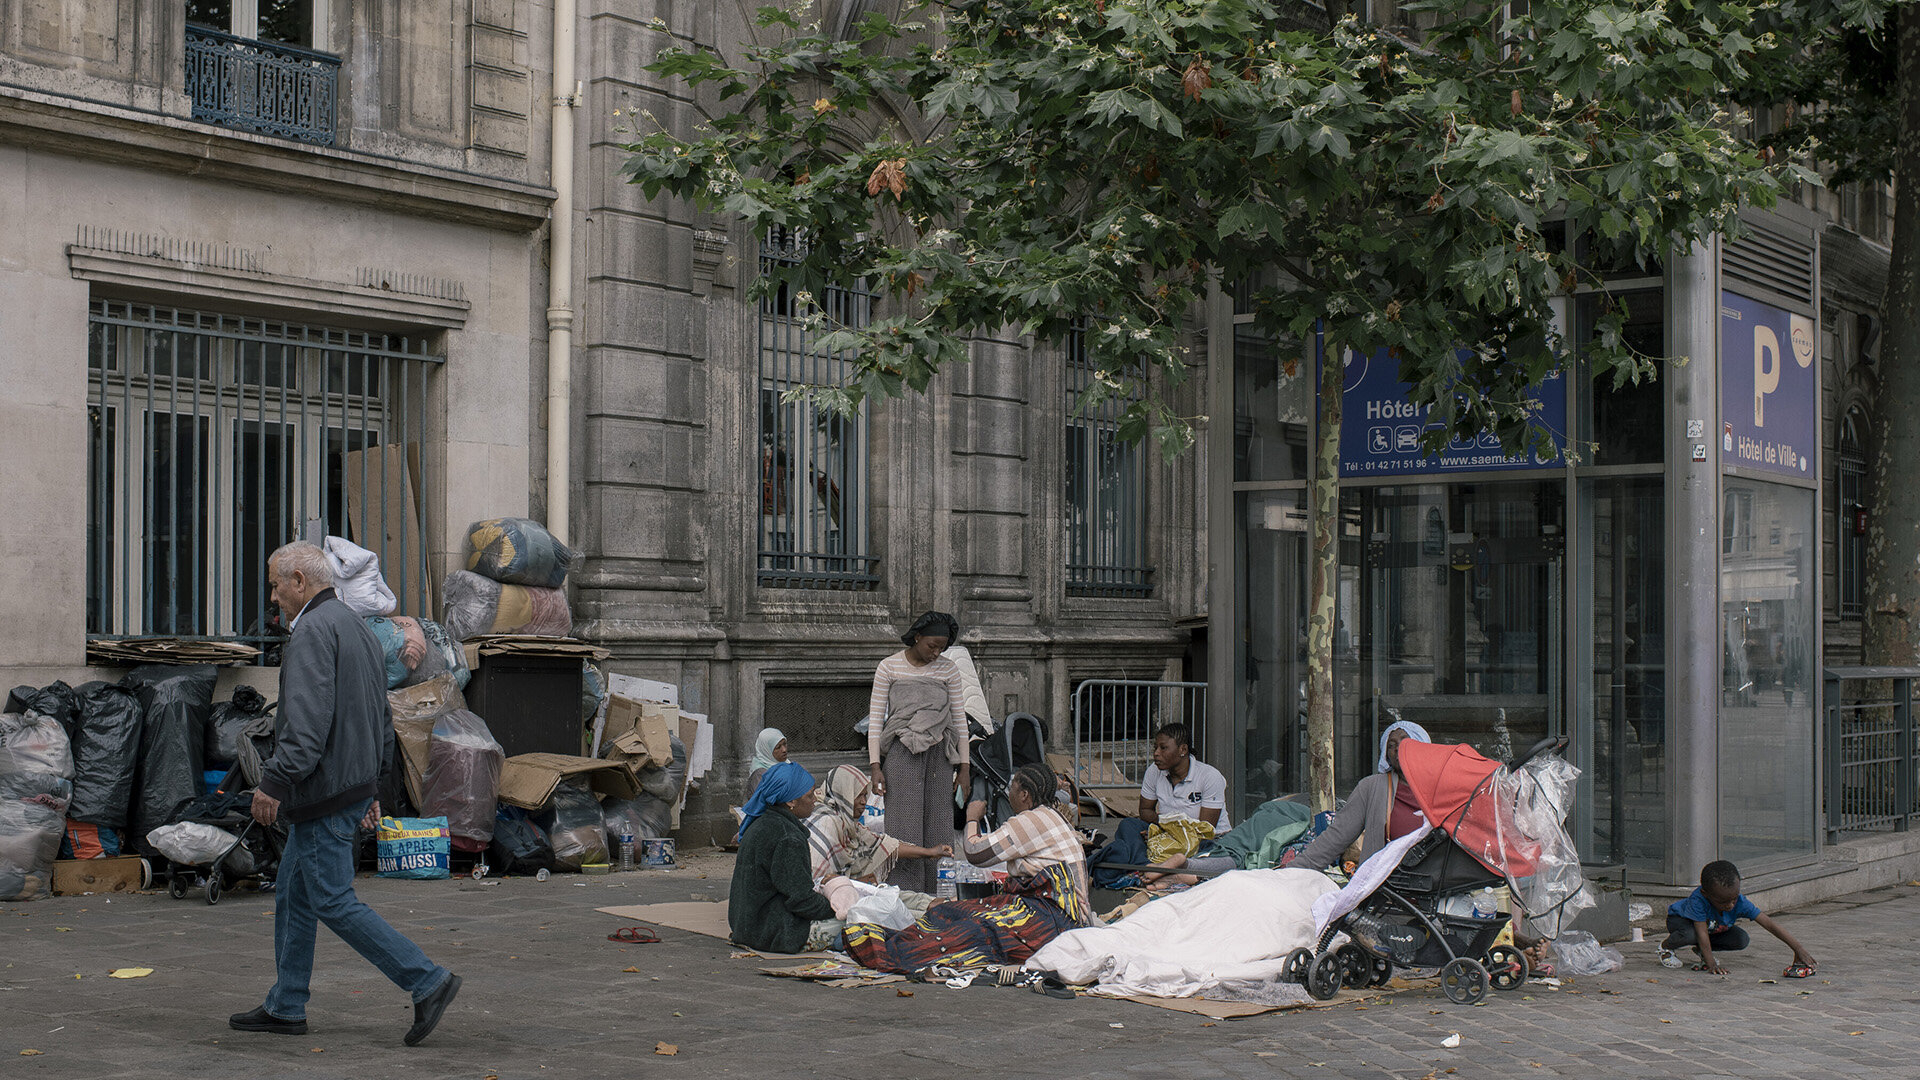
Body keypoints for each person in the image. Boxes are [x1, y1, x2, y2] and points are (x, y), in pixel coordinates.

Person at [230, 541, 459, 1046]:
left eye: (275, 584)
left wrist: (274, 781)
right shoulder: (355, 624)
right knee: (293, 894)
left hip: (325, 789)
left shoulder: (313, 629)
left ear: (298, 580)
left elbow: (306, 724)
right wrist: (374, 783)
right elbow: (382, 714)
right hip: (347, 784)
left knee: (332, 900)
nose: (273, 597)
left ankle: (426, 979)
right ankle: (286, 1005)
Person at [844, 763, 1092, 974]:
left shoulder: (1032, 820)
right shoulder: (1052, 817)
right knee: (956, 910)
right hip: (1056, 911)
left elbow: (976, 853)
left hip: (1057, 916)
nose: (1010, 795)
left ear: (1025, 795)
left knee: (978, 929)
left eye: (1013, 789)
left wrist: (972, 818)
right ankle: (902, 940)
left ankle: (893, 949)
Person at [867, 610, 970, 894]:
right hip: (902, 755)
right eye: (931, 646)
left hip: (939, 755)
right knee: (903, 829)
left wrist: (964, 768)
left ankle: (938, 896)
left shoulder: (949, 670)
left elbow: (959, 719)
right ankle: (905, 897)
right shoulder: (888, 667)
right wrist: (876, 765)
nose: (936, 653)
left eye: (942, 647)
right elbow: (876, 720)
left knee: (939, 826)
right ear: (917, 637)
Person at [1285, 720, 1431, 872]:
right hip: (1390, 886)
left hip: (1443, 886)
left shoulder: (1444, 786)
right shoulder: (1372, 788)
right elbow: (1336, 837)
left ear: (1422, 745)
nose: (1397, 749)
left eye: (1405, 741)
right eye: (1391, 745)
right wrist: (1289, 872)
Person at [729, 761, 841, 954]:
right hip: (773, 932)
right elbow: (801, 900)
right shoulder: (788, 837)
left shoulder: (760, 823)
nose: (815, 800)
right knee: (862, 922)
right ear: (791, 802)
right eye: (809, 795)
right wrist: (837, 907)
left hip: (746, 926)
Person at [1660, 859, 1816, 976]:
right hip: (1680, 922)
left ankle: (1702, 950)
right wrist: (1711, 964)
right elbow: (1701, 932)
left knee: (1741, 939)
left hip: (1710, 930)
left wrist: (1798, 949)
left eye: (1734, 899)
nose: (1730, 905)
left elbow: (1770, 924)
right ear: (1706, 894)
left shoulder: (1740, 902)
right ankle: (1665, 947)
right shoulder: (1698, 900)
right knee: (1691, 934)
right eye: (1723, 901)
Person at [806, 764, 950, 884]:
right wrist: (857, 884)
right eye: (858, 796)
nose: (864, 802)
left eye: (865, 795)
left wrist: (929, 852)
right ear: (845, 794)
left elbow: (882, 844)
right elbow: (817, 882)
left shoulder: (846, 823)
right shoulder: (826, 822)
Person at [1138, 722, 1231, 832]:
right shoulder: (1154, 771)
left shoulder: (1210, 776)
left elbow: (1206, 830)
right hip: (1169, 834)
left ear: (1183, 750)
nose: (1156, 753)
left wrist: (1168, 835)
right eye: (1155, 748)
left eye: (1163, 748)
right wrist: (1163, 826)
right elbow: (1145, 810)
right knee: (1128, 825)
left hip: (1210, 840)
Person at [744, 727, 790, 801]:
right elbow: (763, 802)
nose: (784, 750)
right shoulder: (760, 774)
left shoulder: (787, 764)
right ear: (767, 750)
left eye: (785, 744)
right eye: (778, 747)